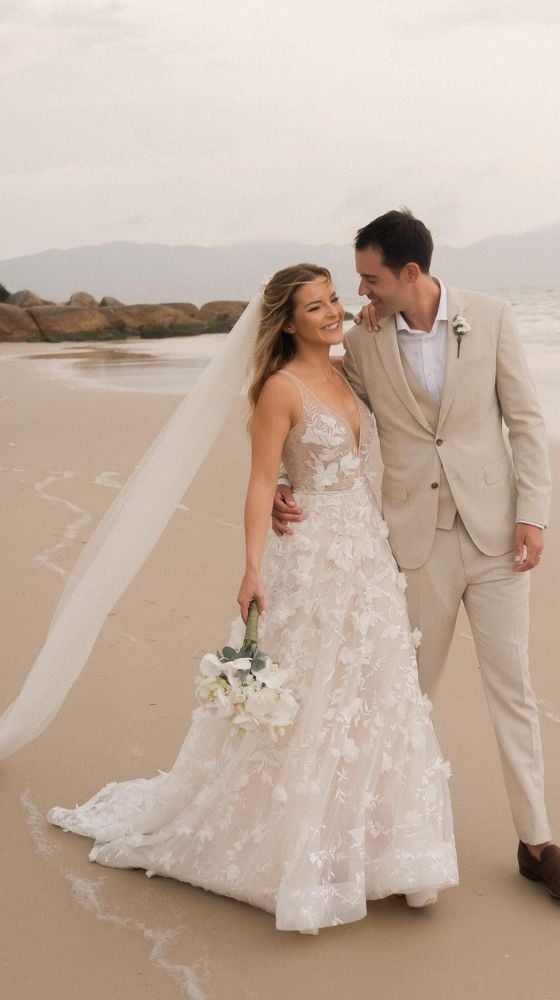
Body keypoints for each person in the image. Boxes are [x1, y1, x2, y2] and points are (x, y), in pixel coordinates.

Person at [46, 263, 458, 934]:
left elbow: (391, 333)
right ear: (287, 322)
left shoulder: (350, 367)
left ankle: (396, 853)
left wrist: (380, 312)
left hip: (369, 554)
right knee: (311, 692)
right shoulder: (281, 388)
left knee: (376, 688)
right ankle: (299, 849)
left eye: (332, 300)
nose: (330, 312)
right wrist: (251, 567)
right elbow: (261, 483)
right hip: (314, 558)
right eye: (314, 306)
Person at [274, 211, 560, 902]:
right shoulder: (362, 341)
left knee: (513, 687)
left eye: (370, 278)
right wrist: (281, 478)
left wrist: (533, 513)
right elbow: (316, 406)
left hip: (499, 537)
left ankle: (538, 842)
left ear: (410, 273)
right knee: (407, 692)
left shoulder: (492, 317)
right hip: (415, 541)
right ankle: (390, 841)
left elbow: (527, 421)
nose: (361, 292)